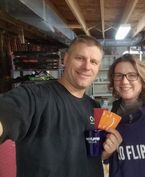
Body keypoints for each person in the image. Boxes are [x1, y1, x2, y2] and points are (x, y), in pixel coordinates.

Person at [0, 35, 122, 177]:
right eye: (80, 58)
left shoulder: (93, 106)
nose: (87, 66)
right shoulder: (35, 96)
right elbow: (8, 112)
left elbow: (87, 157)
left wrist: (105, 152)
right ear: (65, 59)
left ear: (98, 68)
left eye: (93, 62)